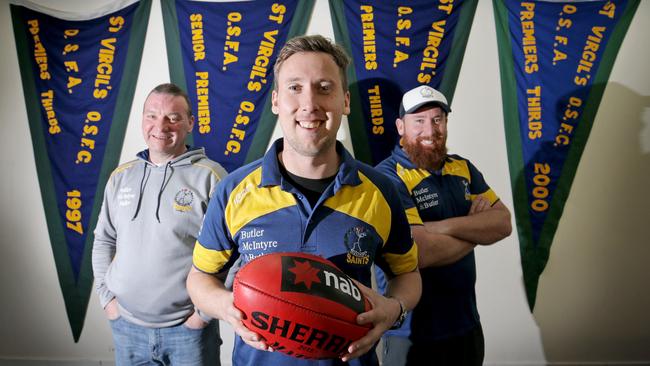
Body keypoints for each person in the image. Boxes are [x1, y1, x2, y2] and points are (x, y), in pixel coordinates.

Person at [187, 35, 422, 366]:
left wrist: (394, 309)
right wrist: (225, 305)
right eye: (295, 88)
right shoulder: (234, 190)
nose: (309, 104)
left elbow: (408, 274)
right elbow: (199, 278)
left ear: (346, 101)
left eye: (324, 87)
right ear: (275, 101)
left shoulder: (381, 190)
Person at [375, 85, 512, 366]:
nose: (430, 130)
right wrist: (476, 229)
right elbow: (419, 251)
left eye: (438, 119)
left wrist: (439, 227)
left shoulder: (462, 167)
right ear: (401, 126)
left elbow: (503, 223)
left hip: (466, 326)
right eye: (419, 121)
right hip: (411, 333)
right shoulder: (387, 176)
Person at [92, 83, 226, 365]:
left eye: (173, 118)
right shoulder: (121, 177)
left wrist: (201, 317)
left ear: (190, 122)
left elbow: (231, 254)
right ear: (142, 120)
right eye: (152, 115)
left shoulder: (211, 177)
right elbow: (104, 240)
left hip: (187, 332)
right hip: (126, 327)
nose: (160, 126)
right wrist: (108, 301)